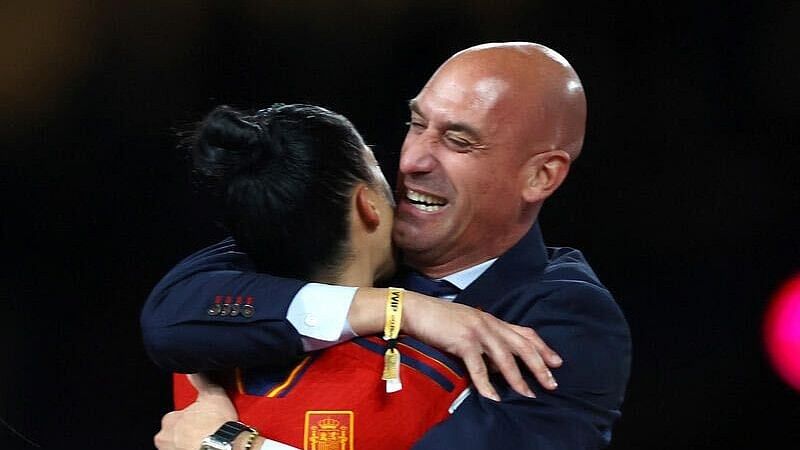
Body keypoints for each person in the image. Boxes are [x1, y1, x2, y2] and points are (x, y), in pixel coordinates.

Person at [144, 42, 631, 449]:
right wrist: (400, 308)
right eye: (417, 124)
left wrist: (229, 444)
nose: (414, 159)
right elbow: (170, 315)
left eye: (458, 141)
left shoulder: (566, 322)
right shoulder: (356, 233)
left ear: (540, 175)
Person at [162, 102, 552, 450]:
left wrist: (223, 444)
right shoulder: (440, 381)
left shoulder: (197, 363)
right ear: (367, 204)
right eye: (377, 169)